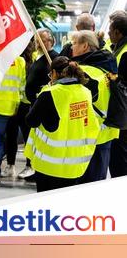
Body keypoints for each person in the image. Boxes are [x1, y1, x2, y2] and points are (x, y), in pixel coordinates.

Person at [24, 56, 99, 192]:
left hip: (49, 165)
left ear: (54, 73)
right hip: (76, 165)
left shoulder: (49, 94)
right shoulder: (85, 92)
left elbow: (31, 121)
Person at [69, 30, 118, 183]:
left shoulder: (85, 71)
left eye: (75, 43)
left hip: (88, 136)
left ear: (85, 46)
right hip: (106, 133)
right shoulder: (107, 65)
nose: (72, 47)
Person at [19, 29, 60, 180]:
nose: (39, 43)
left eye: (42, 40)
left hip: (43, 105)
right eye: (37, 40)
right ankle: (33, 167)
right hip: (33, 104)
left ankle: (40, 169)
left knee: (42, 139)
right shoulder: (38, 57)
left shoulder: (54, 59)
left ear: (51, 41)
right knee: (33, 139)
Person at [0, 51, 26, 185]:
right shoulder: (20, 61)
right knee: (12, 139)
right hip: (14, 107)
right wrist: (19, 101)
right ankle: (10, 165)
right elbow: (22, 85)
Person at [3, 41, 35, 181]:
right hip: (17, 103)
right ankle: (11, 165)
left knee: (25, 136)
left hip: (23, 104)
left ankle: (28, 165)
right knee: (12, 135)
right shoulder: (15, 58)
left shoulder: (31, 59)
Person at [108, 12, 127, 177]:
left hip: (123, 112)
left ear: (118, 32)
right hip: (122, 110)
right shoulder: (119, 47)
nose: (108, 34)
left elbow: (123, 82)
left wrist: (111, 79)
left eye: (110, 30)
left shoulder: (125, 52)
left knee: (119, 158)